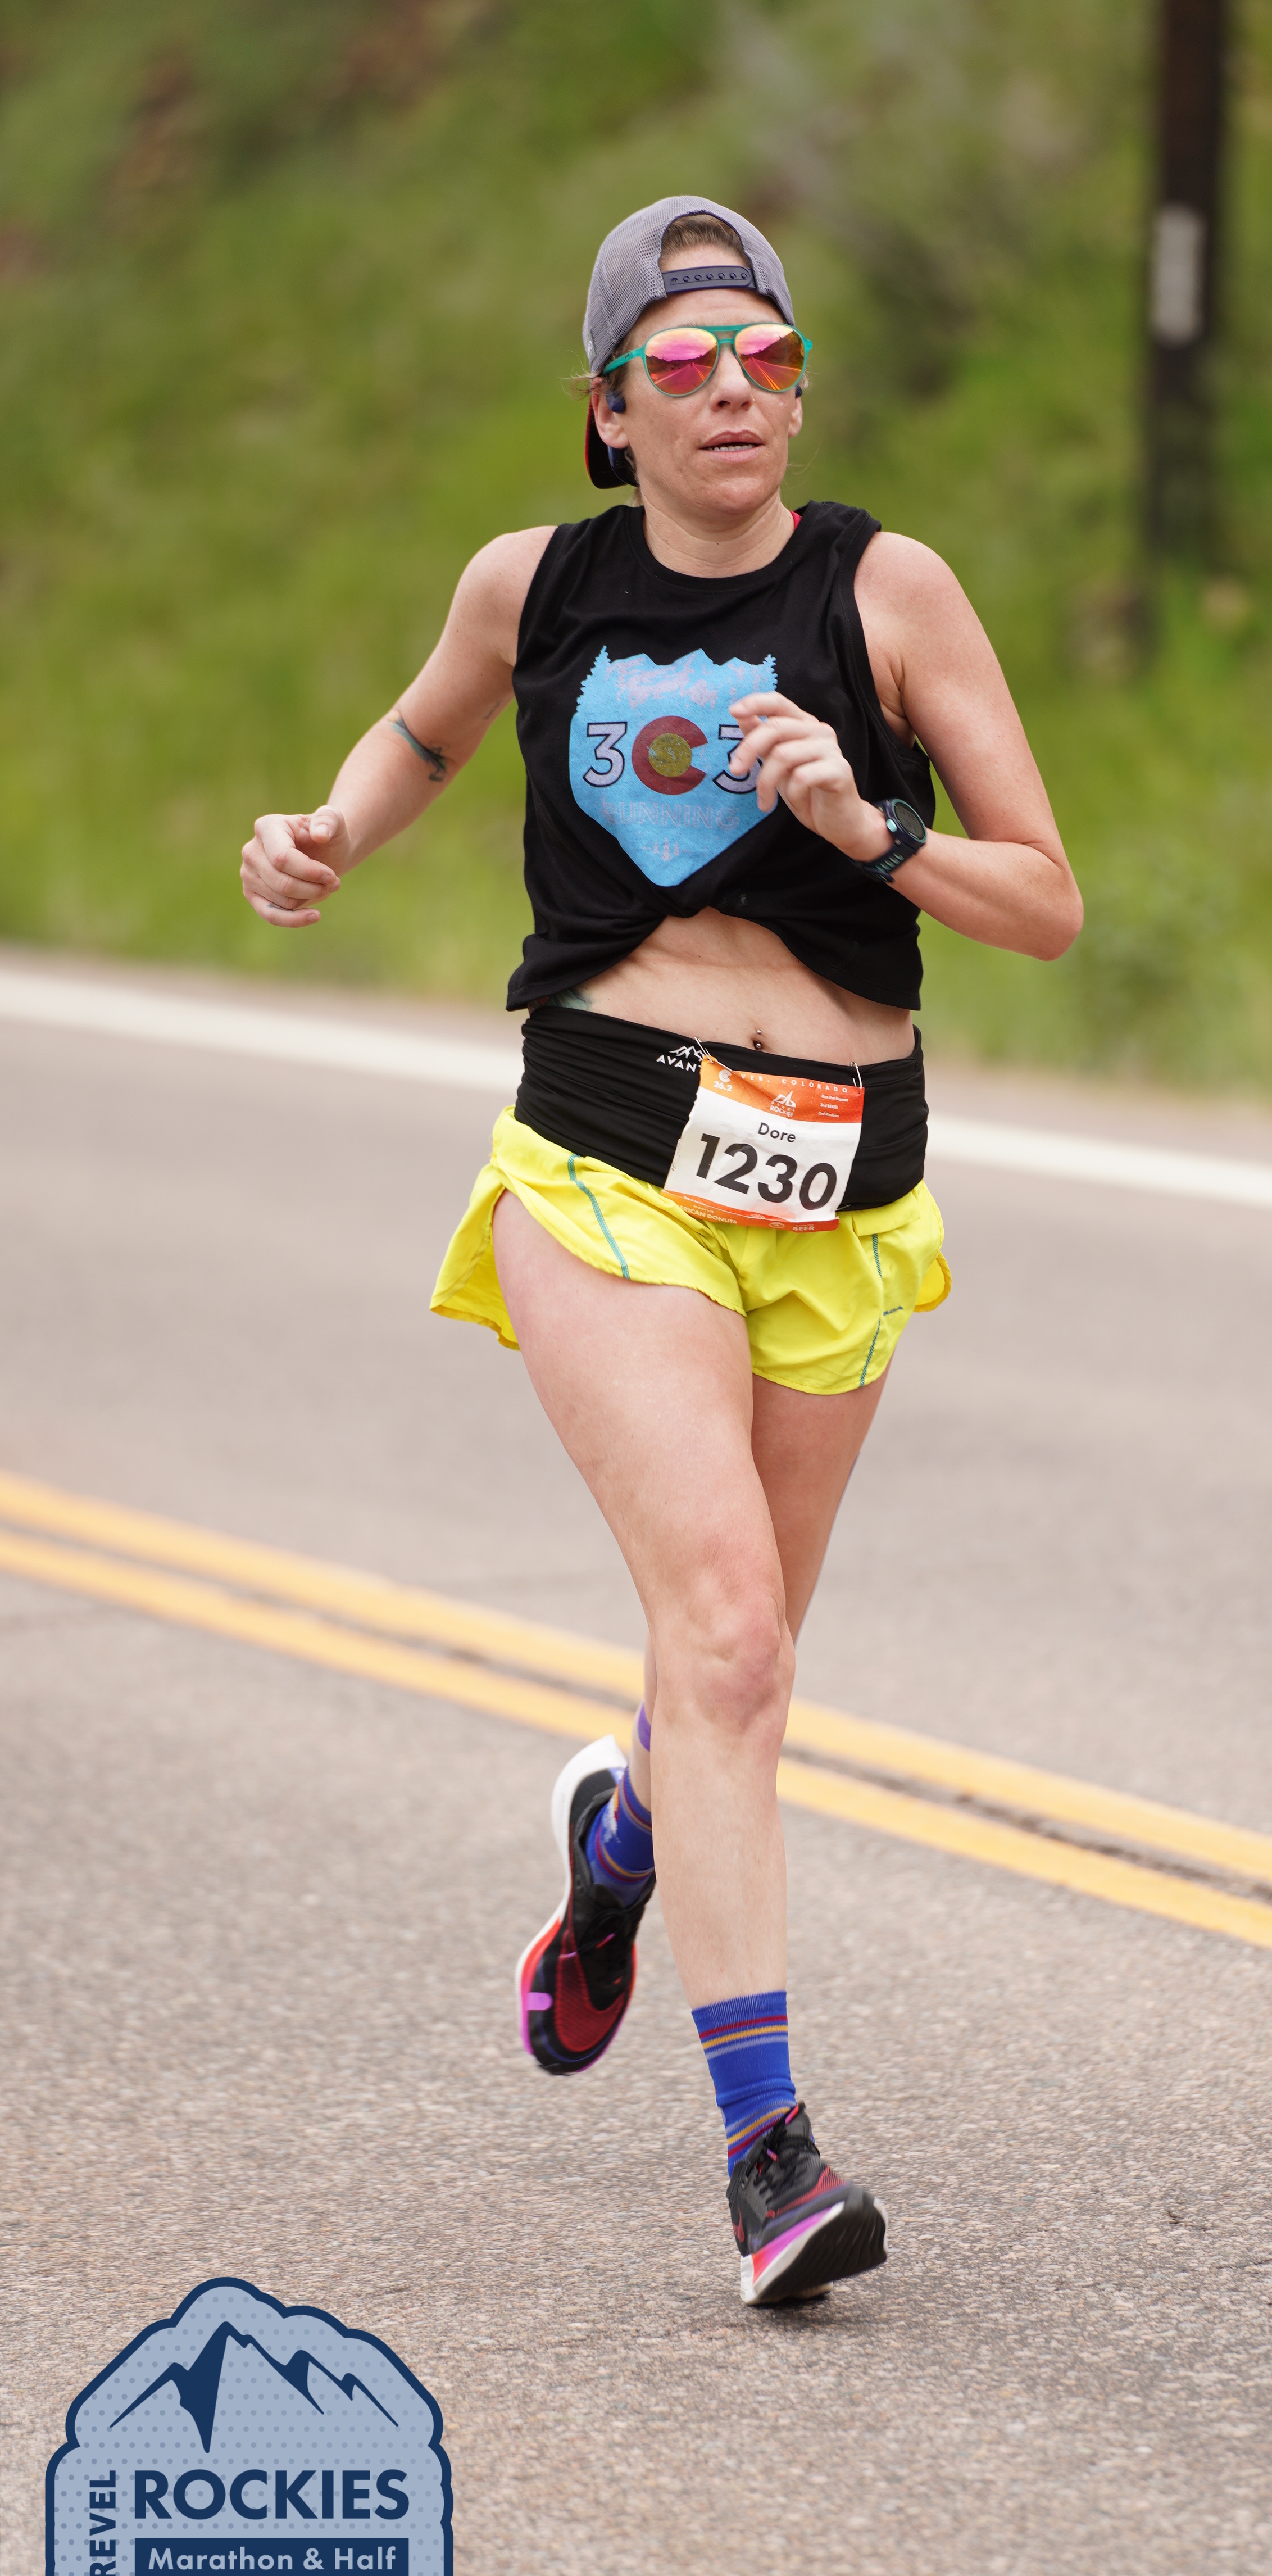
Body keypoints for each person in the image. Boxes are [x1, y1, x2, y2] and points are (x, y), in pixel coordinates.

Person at [242, 193, 1080, 2307]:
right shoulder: (533, 586)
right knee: (721, 1641)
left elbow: (1048, 901)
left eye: (764, 356)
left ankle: (622, 1848)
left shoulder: (889, 593)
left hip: (846, 1187)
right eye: (681, 364)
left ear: (800, 387)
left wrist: (874, 826)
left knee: (743, 1670)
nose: (731, 392)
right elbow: (427, 729)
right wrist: (334, 828)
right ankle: (769, 2159)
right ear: (609, 411)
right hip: (610, 1155)